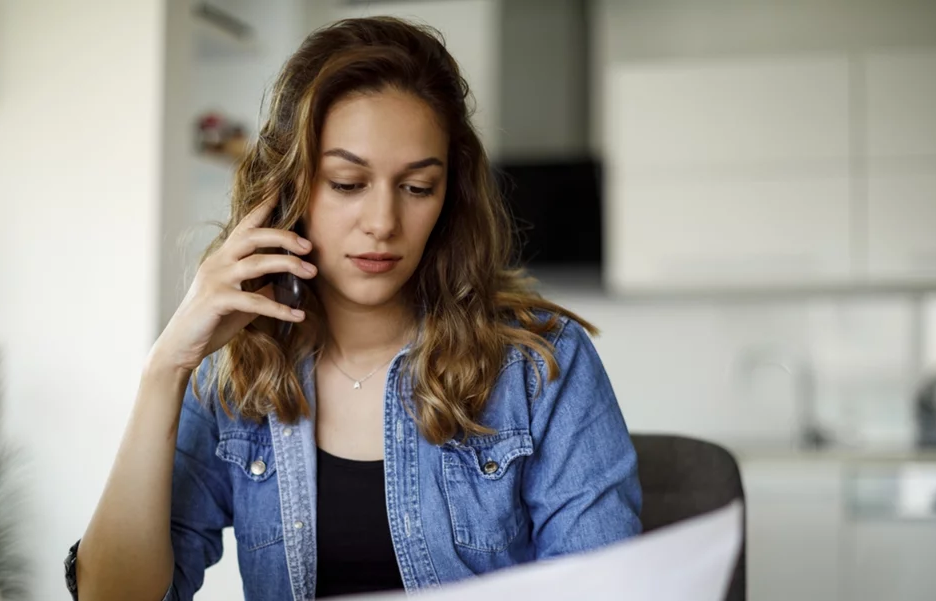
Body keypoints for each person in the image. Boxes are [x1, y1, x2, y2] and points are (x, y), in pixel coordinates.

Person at [66, 16, 641, 601]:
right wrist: (166, 368)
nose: (383, 223)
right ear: (289, 188)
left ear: (449, 198)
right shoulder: (234, 371)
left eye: (417, 187)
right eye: (346, 182)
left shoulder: (540, 366)